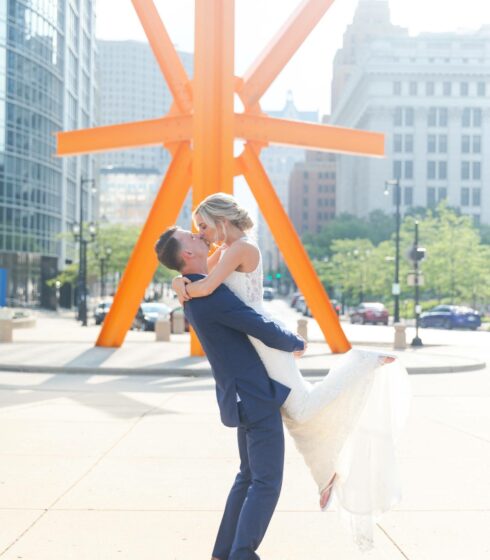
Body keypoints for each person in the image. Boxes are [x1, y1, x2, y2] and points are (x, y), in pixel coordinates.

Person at [169, 193, 411, 550]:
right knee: (293, 420)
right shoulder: (226, 250)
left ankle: (361, 363)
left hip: (265, 345)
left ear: (222, 219)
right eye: (197, 231)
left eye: (204, 225)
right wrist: (181, 283)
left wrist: (182, 286)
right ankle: (326, 473)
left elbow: (205, 286)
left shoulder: (241, 248)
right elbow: (203, 281)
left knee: (300, 409)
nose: (203, 234)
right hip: (258, 345)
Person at [155, 225, 306, 560]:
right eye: (192, 237)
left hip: (239, 398)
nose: (199, 235)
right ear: (188, 254)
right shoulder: (208, 294)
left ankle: (223, 554)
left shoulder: (193, 291)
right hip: (253, 397)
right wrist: (295, 342)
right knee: (266, 483)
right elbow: (258, 325)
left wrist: (178, 281)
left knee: (248, 477)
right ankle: (241, 554)